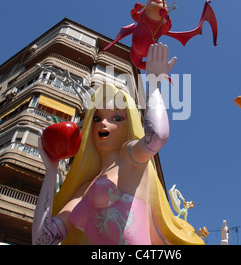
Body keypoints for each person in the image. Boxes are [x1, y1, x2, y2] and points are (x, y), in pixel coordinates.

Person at [32, 43, 204, 245]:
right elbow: (42, 241)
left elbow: (156, 136)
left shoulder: (129, 157)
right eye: (97, 118)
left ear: (129, 125)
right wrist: (51, 171)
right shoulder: (84, 189)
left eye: (117, 118)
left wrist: (154, 84)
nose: (104, 123)